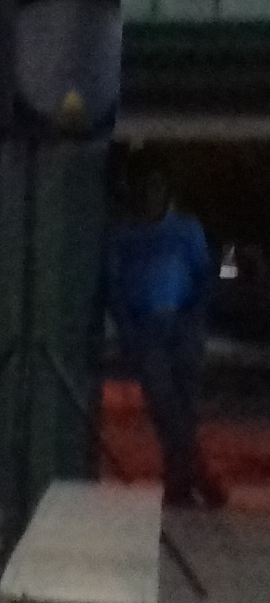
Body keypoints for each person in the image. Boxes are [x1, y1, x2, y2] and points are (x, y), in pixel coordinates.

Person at [108, 167, 224, 509]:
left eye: (156, 189)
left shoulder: (186, 230)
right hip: (146, 328)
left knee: (185, 406)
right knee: (165, 406)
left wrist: (194, 319)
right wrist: (126, 328)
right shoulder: (124, 234)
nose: (150, 196)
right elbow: (114, 286)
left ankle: (180, 483)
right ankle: (198, 476)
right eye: (145, 189)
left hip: (181, 325)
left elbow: (204, 277)